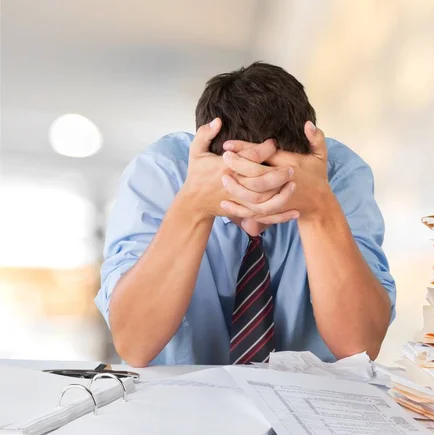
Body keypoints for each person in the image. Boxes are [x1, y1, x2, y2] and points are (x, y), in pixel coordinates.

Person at [95, 62, 396, 367]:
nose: (254, 222)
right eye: (239, 195)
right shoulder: (162, 173)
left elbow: (360, 347)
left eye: (275, 195)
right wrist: (193, 207)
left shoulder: (340, 176)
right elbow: (134, 344)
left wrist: (319, 209)